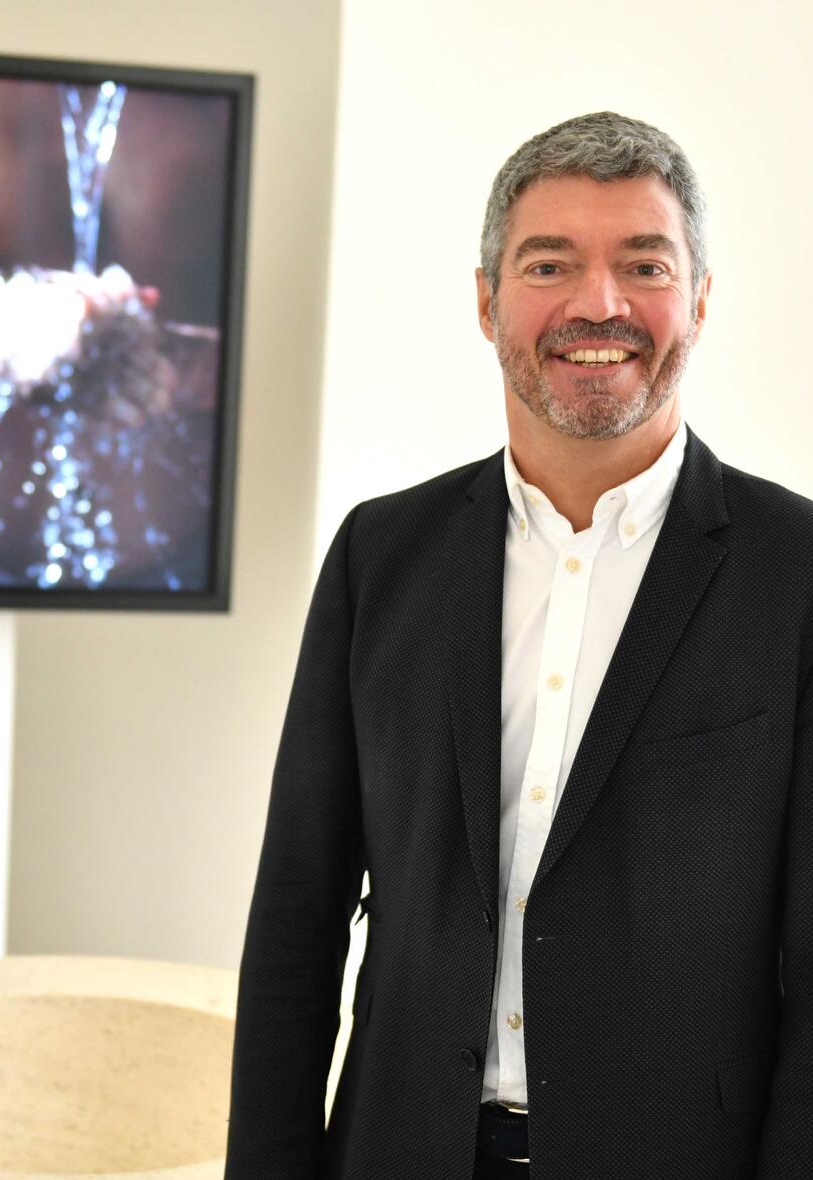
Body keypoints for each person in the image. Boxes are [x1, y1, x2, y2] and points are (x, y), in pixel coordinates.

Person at [224, 111, 813, 1179]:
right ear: (488, 298)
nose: (600, 303)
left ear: (701, 298)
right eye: (551, 264)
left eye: (644, 264)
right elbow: (295, 923)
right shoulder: (379, 556)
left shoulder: (798, 572)